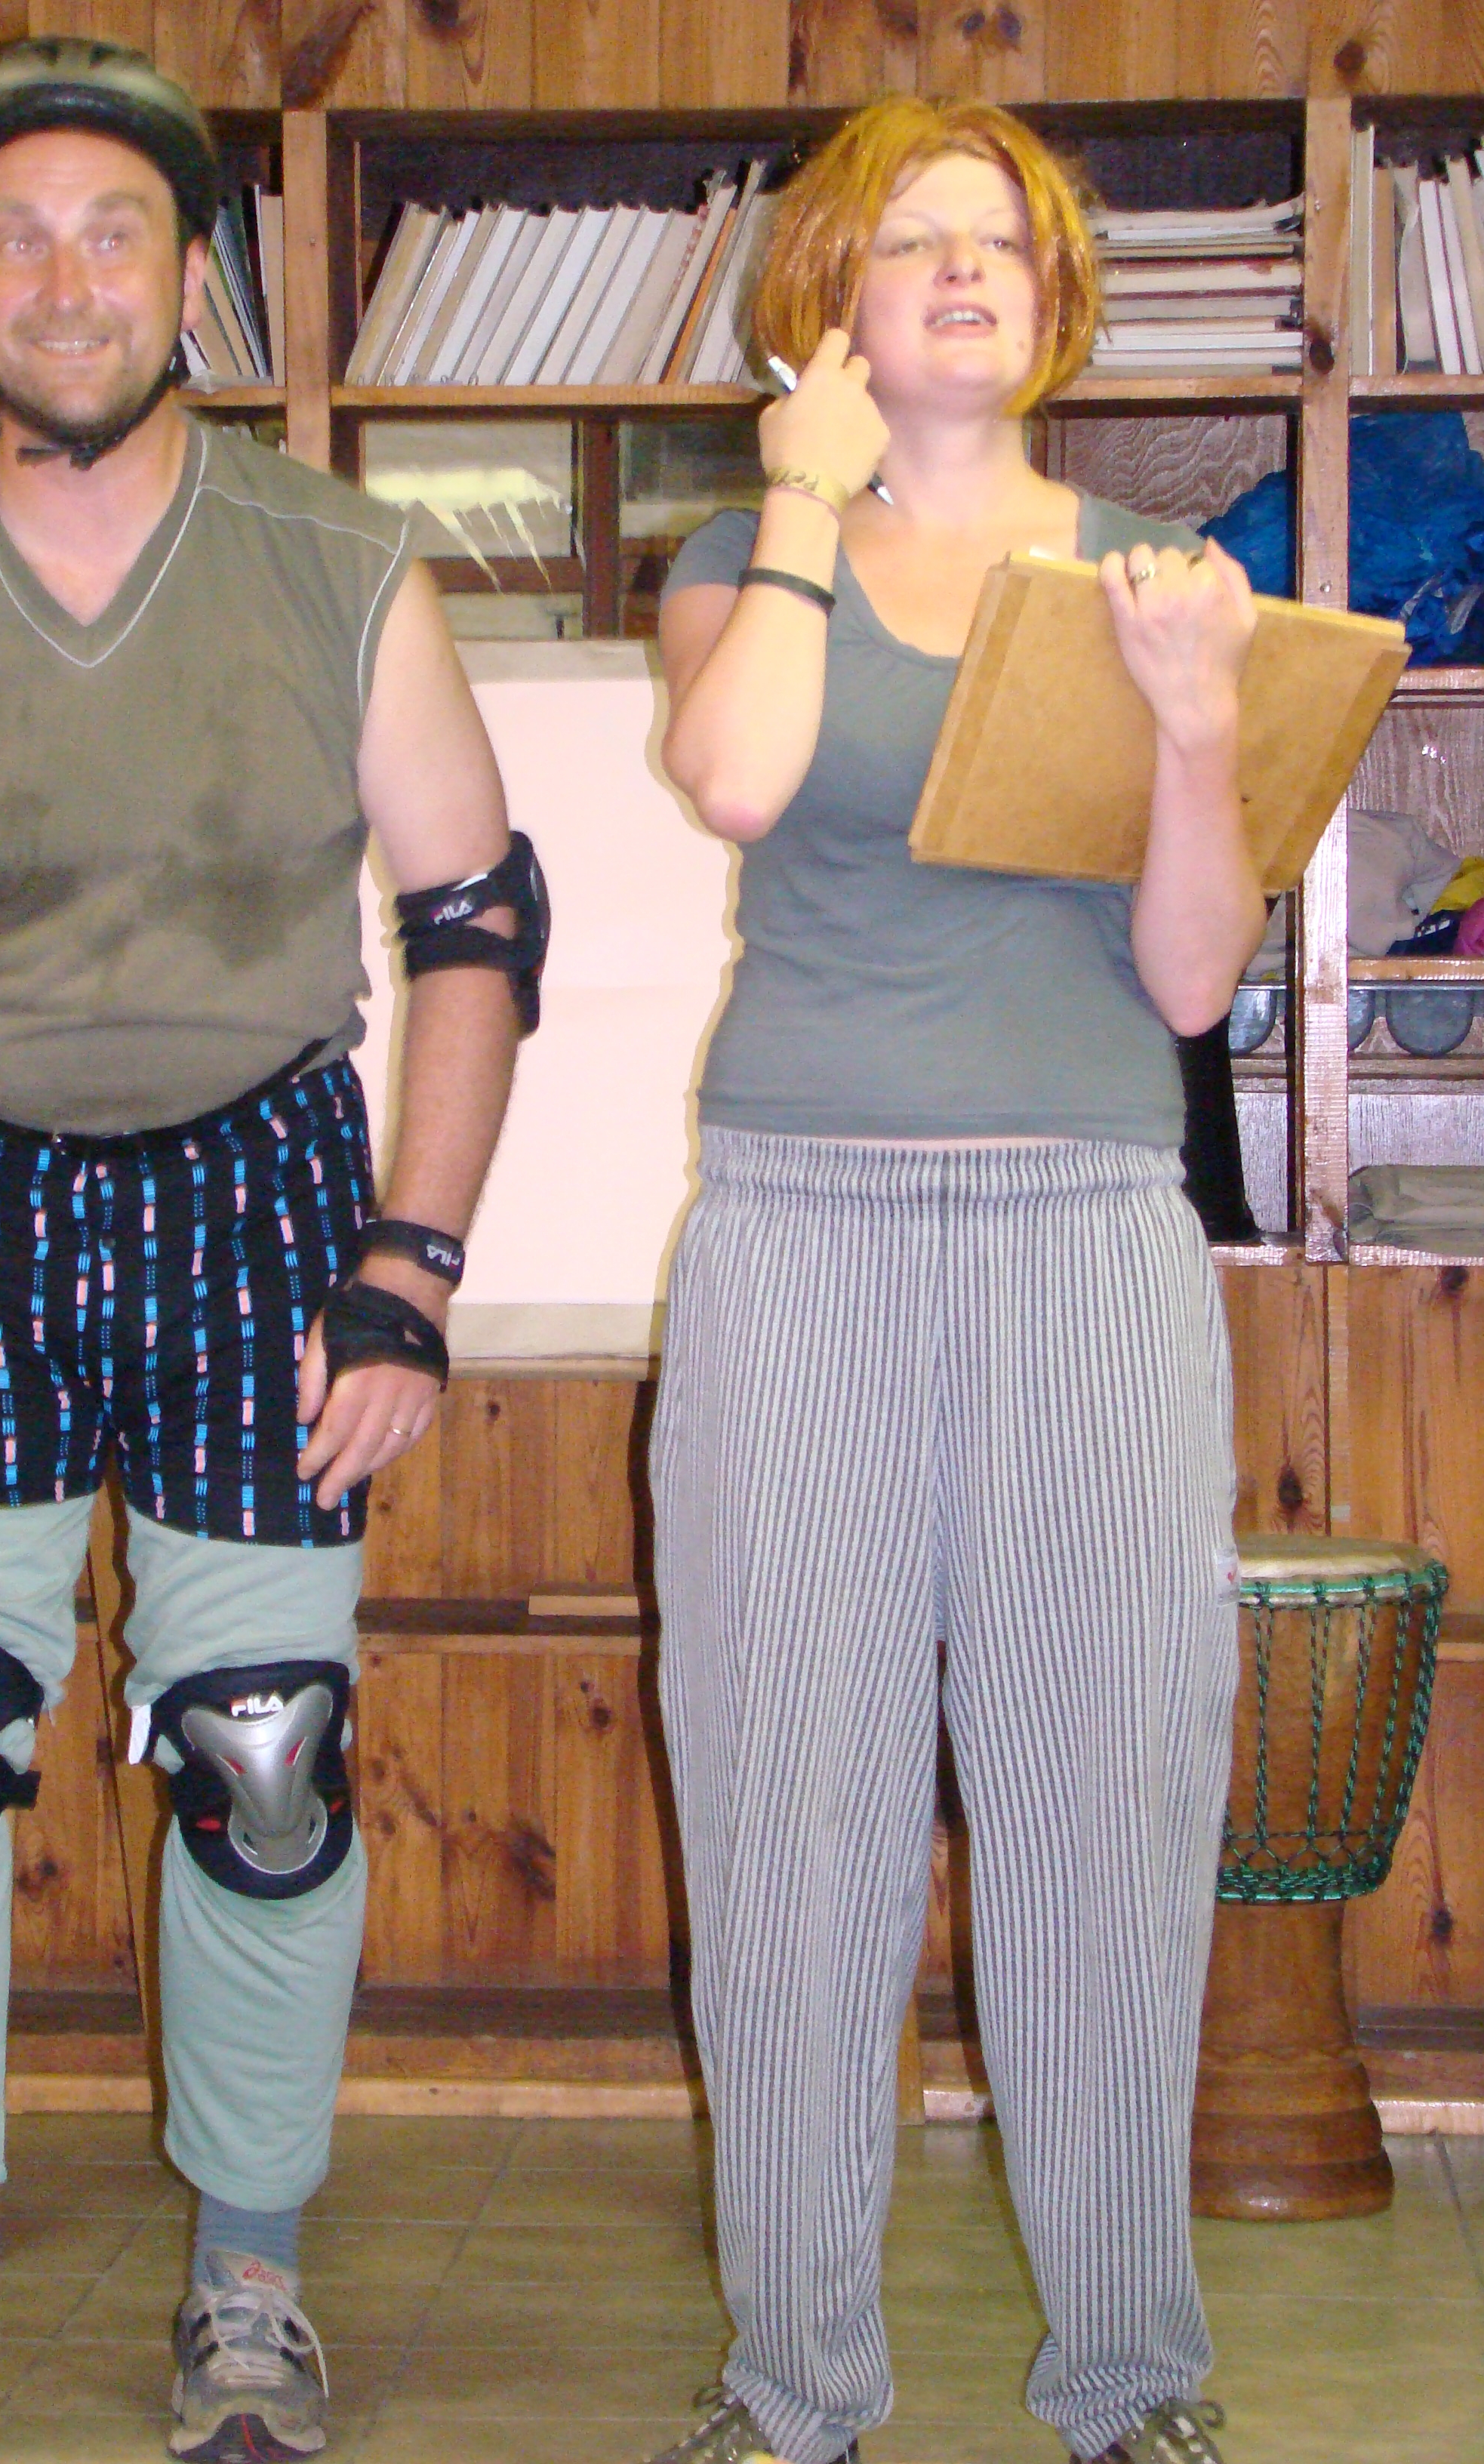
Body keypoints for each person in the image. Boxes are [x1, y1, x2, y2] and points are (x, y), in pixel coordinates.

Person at [0, 37, 541, 2464]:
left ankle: (248, 2287)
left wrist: (411, 1268)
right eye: (19, 239)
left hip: (267, 1200)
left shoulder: (339, 568)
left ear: (191, 278)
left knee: (270, 1757)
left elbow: (478, 928)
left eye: (117, 235)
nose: (68, 282)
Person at [644, 97, 1263, 2464]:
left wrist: (1198, 732)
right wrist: (809, 499)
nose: (967, 269)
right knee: (786, 1820)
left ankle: (1133, 2378)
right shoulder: (739, 558)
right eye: (910, 241)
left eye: (1000, 239)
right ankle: (795, 2388)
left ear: (1055, 291)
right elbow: (735, 779)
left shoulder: (1150, 579)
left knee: (1107, 1814)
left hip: (1085, 1232)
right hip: (798, 1233)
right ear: (832, 296)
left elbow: (1189, 984)